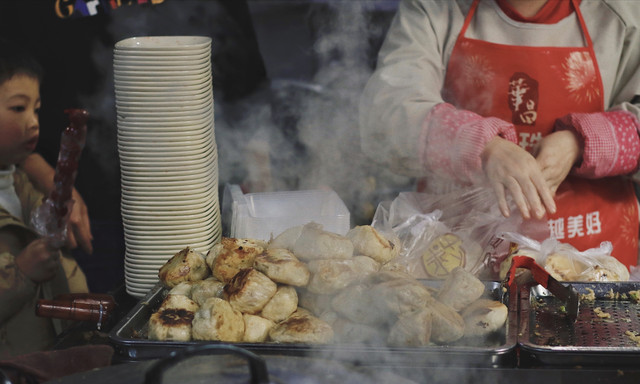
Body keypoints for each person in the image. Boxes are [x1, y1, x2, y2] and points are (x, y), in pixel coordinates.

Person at [359, 0, 640, 267]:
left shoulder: (621, 13)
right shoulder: (436, 8)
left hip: (590, 263)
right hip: (456, 259)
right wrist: (479, 146)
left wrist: (579, 142)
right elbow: (385, 116)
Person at [0, 39, 89, 358]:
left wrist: (50, 218)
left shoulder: (17, 181)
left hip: (50, 355)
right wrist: (21, 272)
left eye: (36, 109)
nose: (34, 122)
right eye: (18, 108)